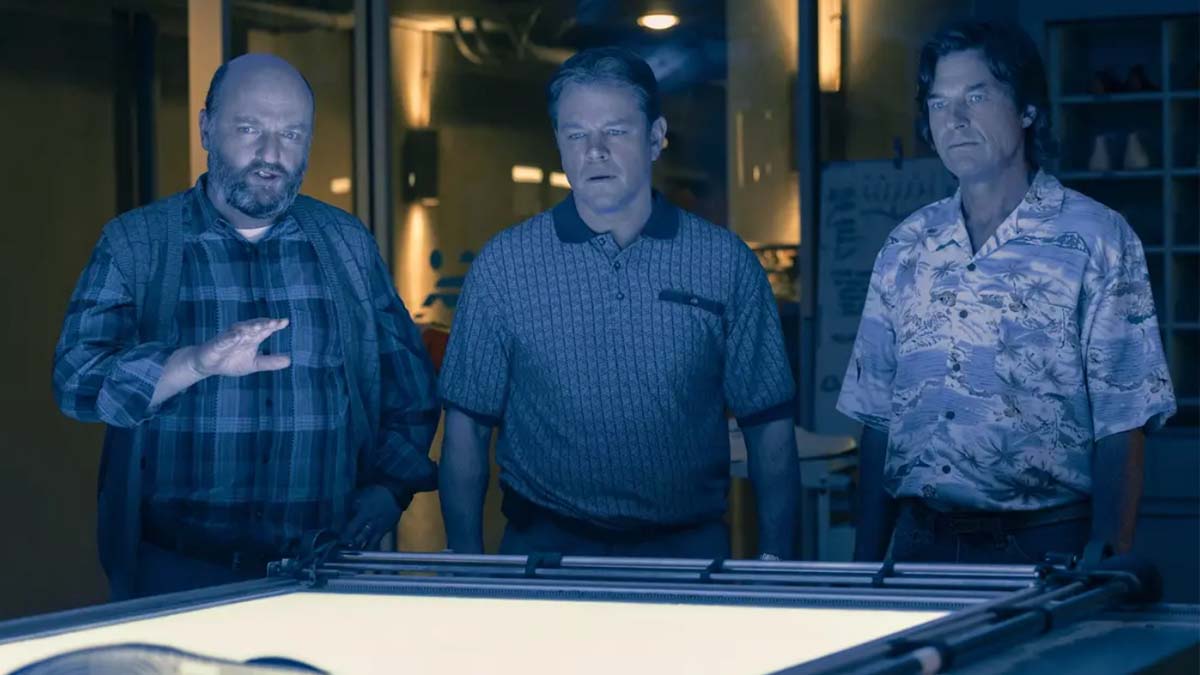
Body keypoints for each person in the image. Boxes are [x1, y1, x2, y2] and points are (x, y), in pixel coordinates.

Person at [53, 54, 439, 599]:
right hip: (176, 573)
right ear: (206, 128)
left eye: (291, 134)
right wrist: (191, 363)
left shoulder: (346, 244)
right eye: (249, 129)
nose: (271, 155)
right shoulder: (137, 242)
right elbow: (75, 381)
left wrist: (390, 488)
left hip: (323, 572)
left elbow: (410, 388)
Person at [437, 47, 801, 560]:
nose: (595, 151)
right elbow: (466, 429)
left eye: (616, 131)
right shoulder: (504, 266)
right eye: (576, 134)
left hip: (687, 552)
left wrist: (777, 565)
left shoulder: (724, 262)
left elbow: (769, 426)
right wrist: (465, 566)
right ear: (558, 143)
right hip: (544, 552)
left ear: (655, 138)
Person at [837, 21, 1176, 565]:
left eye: (976, 97)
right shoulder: (906, 245)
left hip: (1044, 543)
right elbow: (877, 417)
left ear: (1027, 110)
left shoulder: (1097, 238)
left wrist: (1106, 560)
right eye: (939, 103)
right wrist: (865, 566)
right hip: (919, 544)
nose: (955, 119)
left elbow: (1123, 419)